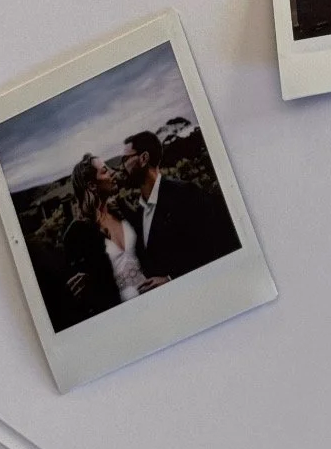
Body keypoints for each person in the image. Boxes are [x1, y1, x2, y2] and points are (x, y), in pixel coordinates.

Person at [121, 130, 239, 281]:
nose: (122, 166)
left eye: (125, 159)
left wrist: (171, 278)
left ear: (144, 158)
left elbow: (217, 245)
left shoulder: (185, 194)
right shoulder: (140, 211)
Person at [62, 154, 165, 315]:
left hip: (158, 301)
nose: (112, 172)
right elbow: (82, 291)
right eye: (104, 171)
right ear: (92, 185)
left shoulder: (123, 209)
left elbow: (152, 249)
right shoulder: (76, 234)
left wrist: (165, 278)